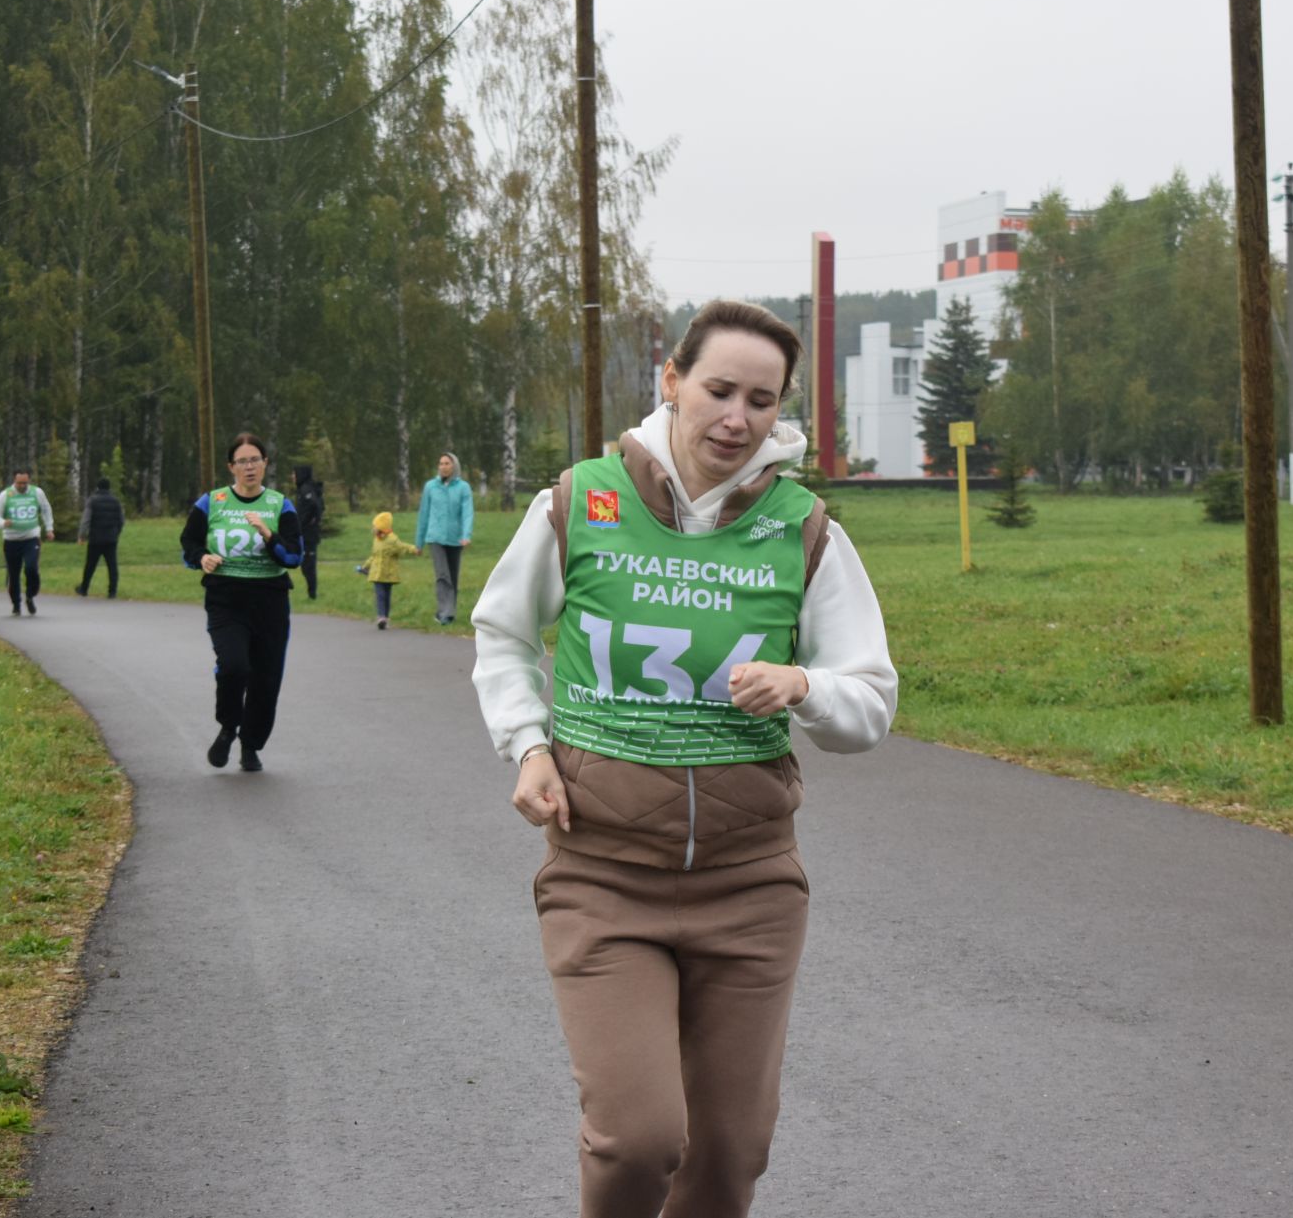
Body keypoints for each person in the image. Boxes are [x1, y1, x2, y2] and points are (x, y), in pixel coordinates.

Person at [471, 299, 898, 1217]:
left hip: (750, 888)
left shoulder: (804, 527)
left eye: (760, 398)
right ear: (670, 382)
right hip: (603, 875)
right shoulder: (579, 501)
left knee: (730, 1154)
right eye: (717, 389)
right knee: (639, 1140)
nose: (736, 417)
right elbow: (503, 632)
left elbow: (871, 699)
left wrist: (805, 686)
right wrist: (528, 744)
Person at [180, 433, 303, 773]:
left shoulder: (281, 505)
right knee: (234, 666)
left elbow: (294, 555)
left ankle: (251, 746)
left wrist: (267, 534)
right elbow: (188, 542)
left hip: (270, 601)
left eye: (255, 460)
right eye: (242, 461)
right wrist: (201, 557)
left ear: (265, 464)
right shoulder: (212, 501)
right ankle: (228, 727)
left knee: (266, 678)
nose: (249, 467)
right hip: (225, 598)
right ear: (231, 467)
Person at [415, 451, 473, 624]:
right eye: (441, 464)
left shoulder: (463, 487)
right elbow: (423, 514)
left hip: (455, 538)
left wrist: (466, 535)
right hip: (435, 537)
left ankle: (450, 611)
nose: (443, 467)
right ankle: (444, 612)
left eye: (447, 463)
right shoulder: (430, 486)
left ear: (454, 466)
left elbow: (467, 513)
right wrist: (418, 542)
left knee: (452, 576)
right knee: (442, 575)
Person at [0, 470, 54, 616]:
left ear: (29, 481)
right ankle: (16, 603)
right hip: (11, 540)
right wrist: (3, 523)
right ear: (14, 481)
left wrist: (49, 528)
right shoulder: (6, 495)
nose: (22, 486)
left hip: (31, 537)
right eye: (19, 483)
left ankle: (30, 595)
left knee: (31, 568)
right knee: (14, 574)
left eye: (25, 483)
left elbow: (46, 509)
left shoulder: (37, 493)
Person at [359, 510, 419, 630]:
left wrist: (415, 549)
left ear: (382, 527)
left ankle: (385, 617)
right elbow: (374, 556)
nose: (374, 528)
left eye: (375, 526)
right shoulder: (376, 540)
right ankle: (381, 617)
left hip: (389, 573)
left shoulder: (392, 539)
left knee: (386, 595)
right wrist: (365, 566)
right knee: (380, 594)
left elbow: (402, 547)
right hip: (377, 574)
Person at [76, 476, 126, 598]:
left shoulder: (92, 500)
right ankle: (112, 591)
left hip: (95, 539)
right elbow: (121, 520)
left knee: (90, 565)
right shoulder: (116, 501)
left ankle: (84, 588)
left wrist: (82, 535)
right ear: (109, 487)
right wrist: (116, 533)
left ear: (97, 487)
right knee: (112, 566)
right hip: (111, 539)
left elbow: (85, 520)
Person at [293, 466, 326, 600]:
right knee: (305, 564)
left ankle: (312, 594)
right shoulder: (304, 489)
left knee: (308, 564)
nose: (292, 477)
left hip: (308, 535)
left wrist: (305, 522)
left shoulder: (307, 490)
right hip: (305, 533)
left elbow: (315, 506)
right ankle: (311, 593)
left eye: (294, 474)